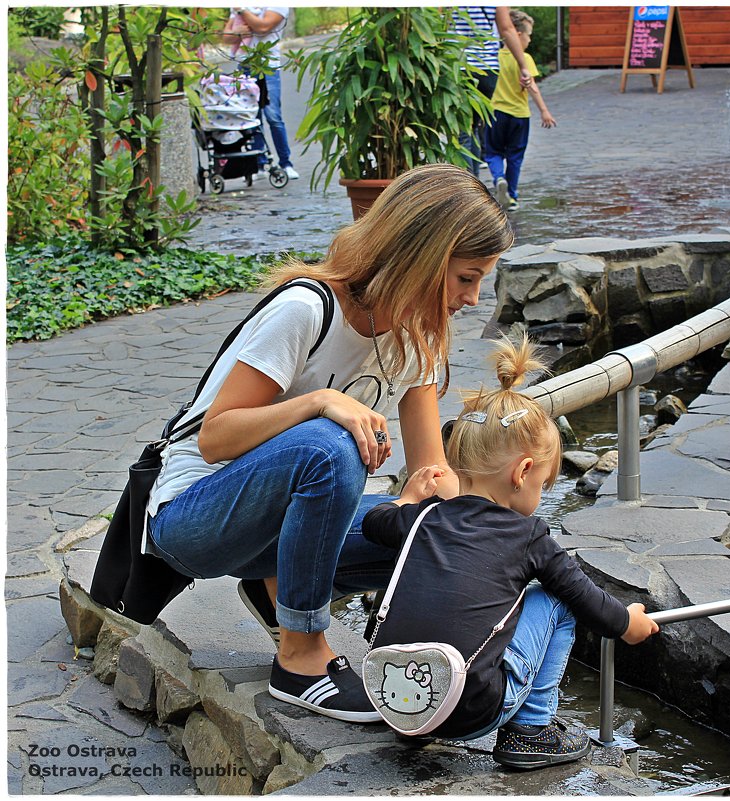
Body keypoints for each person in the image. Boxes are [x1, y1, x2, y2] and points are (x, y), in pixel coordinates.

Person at [144, 164, 514, 722]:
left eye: (481, 279)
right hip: (194, 516)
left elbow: (431, 469)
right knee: (328, 443)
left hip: (282, 532)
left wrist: (447, 500)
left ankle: (336, 621)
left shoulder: (417, 335)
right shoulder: (306, 309)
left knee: (456, 535)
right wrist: (320, 403)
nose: (474, 297)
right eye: (466, 277)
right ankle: (300, 660)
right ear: (420, 256)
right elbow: (215, 438)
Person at [360, 334, 659, 769]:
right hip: (470, 709)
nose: (539, 495)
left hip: (395, 699)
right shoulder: (529, 535)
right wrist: (626, 623)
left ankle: (421, 722)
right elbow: (585, 598)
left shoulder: (425, 518)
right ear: (522, 473)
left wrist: (406, 500)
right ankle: (530, 731)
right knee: (552, 600)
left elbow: (375, 523)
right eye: (542, 484)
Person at [485, 10, 557, 211]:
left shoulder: (494, 57)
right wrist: (544, 111)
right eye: (528, 35)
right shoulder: (524, 59)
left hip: (496, 112)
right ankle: (513, 196)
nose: (530, 40)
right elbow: (532, 86)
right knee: (515, 157)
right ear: (517, 34)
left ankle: (499, 178)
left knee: (493, 152)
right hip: (520, 115)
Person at [452, 6, 534, 174]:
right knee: (473, 128)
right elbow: (507, 28)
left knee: (461, 133)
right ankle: (474, 187)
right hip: (487, 69)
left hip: (457, 66)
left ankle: (467, 193)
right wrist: (523, 66)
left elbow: (439, 23)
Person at [223, 7, 299, 179]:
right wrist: (238, 31)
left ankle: (285, 163)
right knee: (251, 117)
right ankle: (259, 164)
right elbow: (226, 37)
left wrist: (242, 12)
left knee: (273, 116)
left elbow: (263, 27)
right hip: (244, 65)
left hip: (268, 67)